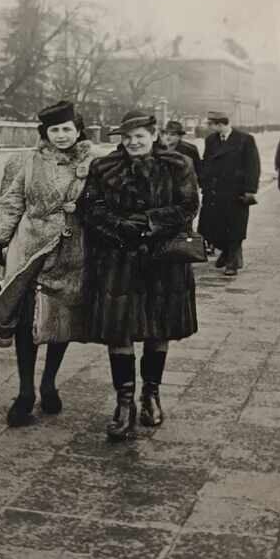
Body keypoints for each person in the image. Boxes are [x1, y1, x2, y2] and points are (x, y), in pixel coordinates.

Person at [78, 109, 199, 441]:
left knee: (159, 330)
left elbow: (188, 206)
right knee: (120, 332)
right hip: (118, 259)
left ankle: (152, 395)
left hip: (163, 261)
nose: (133, 143)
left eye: (139, 137)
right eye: (128, 138)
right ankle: (124, 403)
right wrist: (119, 227)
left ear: (153, 134)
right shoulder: (103, 167)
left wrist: (149, 222)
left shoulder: (178, 165)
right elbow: (90, 207)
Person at [0, 100, 94, 427]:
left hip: (73, 254)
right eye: (54, 130)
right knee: (27, 325)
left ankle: (49, 382)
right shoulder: (28, 162)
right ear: (45, 133)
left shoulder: (94, 163)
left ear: (78, 130)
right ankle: (25, 392)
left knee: (62, 322)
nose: (61, 136)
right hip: (31, 252)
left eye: (67, 129)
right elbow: (12, 202)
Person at [198, 111, 260, 277]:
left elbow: (253, 166)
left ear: (220, 124)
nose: (208, 127)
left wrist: (250, 190)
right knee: (213, 227)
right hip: (214, 191)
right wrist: (203, 181)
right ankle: (225, 252)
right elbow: (207, 161)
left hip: (235, 192)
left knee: (234, 227)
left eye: (210, 124)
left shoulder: (245, 139)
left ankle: (232, 260)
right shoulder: (211, 140)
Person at [161, 119, 202, 185]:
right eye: (166, 134)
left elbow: (198, 171)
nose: (168, 137)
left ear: (180, 136)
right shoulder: (159, 149)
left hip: (184, 186)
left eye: (172, 134)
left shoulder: (190, 150)